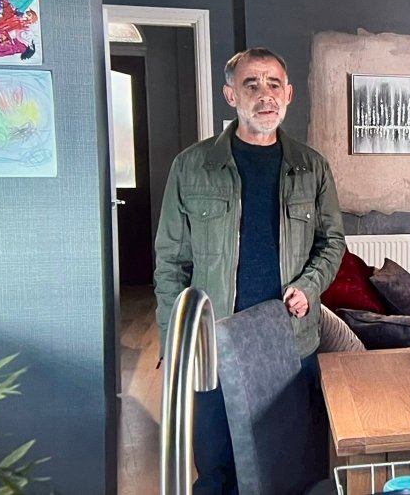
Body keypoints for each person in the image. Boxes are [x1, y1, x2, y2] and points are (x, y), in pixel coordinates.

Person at [153, 47, 346, 495]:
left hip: (289, 343)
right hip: (214, 346)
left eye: (274, 84)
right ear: (230, 95)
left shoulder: (312, 167)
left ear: (289, 94)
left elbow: (332, 242)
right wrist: (173, 344)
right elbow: (170, 263)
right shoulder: (192, 166)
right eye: (251, 85)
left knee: (283, 466)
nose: (265, 95)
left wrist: (310, 286)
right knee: (216, 468)